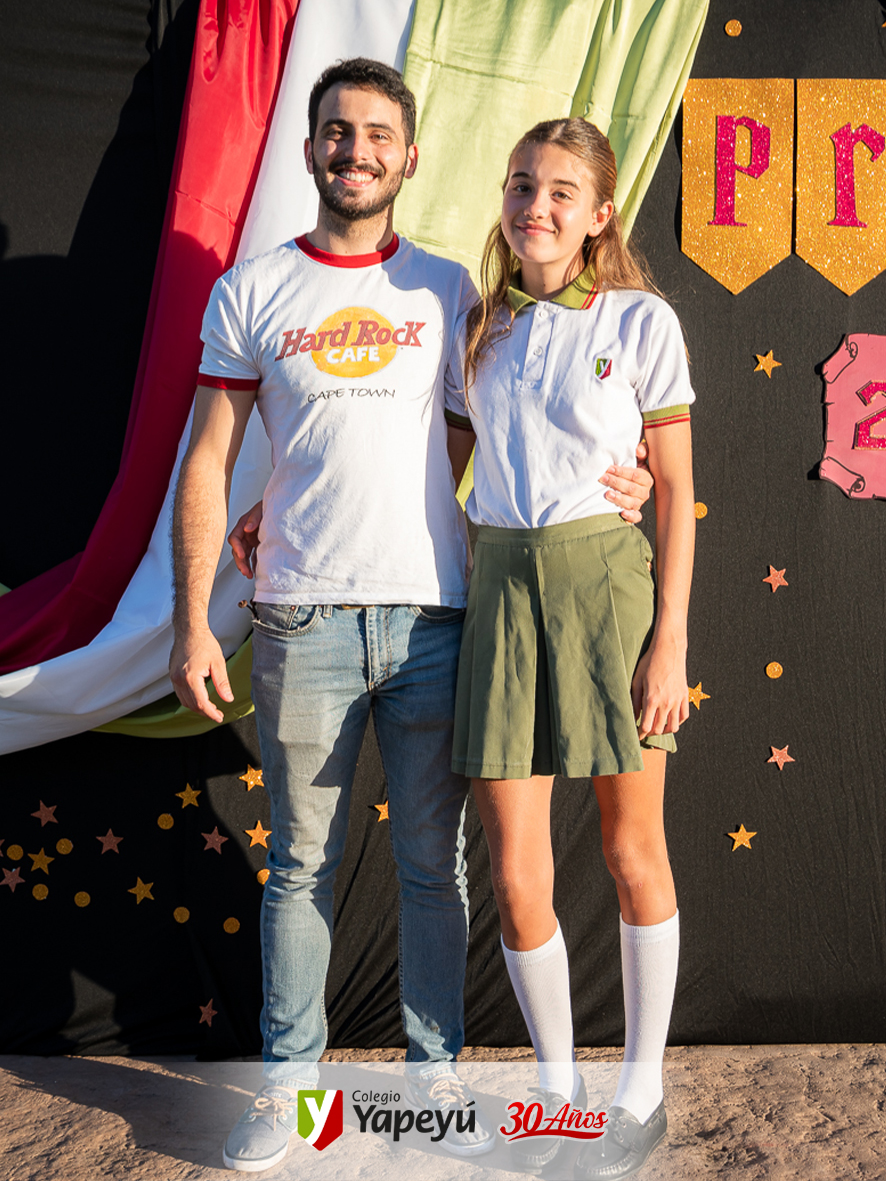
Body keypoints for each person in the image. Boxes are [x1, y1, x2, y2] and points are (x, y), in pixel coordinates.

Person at [170, 57, 653, 1173]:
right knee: (301, 864)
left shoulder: (448, 292)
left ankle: (433, 1079)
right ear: (310, 151)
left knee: (437, 865)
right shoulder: (251, 291)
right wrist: (197, 615)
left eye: (378, 134)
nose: (357, 151)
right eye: (338, 132)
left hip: (440, 617)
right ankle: (290, 1089)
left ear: (411, 156)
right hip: (300, 618)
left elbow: (519, 425)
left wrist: (623, 479)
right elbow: (208, 458)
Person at [450, 118, 695, 1179]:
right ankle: (558, 1093)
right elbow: (433, 468)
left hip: (609, 590)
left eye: (560, 191)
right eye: (520, 185)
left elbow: (674, 489)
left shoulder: (639, 320)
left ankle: (640, 1087)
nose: (534, 206)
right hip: (500, 593)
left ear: (600, 214)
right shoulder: (478, 328)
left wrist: (668, 640)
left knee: (631, 848)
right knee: (513, 872)